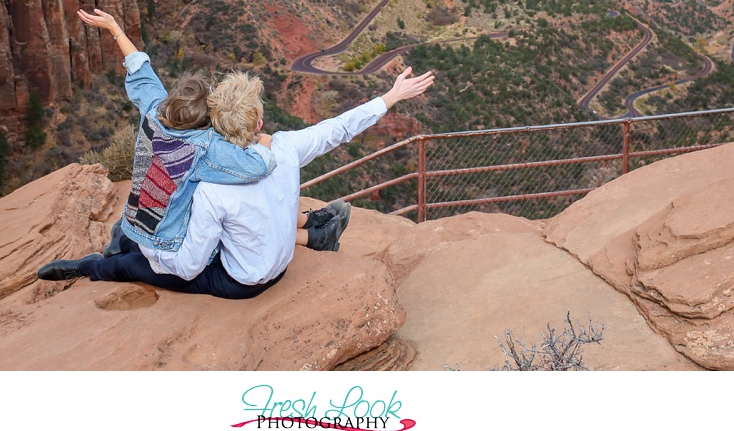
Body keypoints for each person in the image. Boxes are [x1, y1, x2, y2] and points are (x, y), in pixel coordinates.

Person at [38, 64, 436, 300]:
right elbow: (338, 129)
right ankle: (122, 241)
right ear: (259, 123)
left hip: (242, 282)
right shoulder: (286, 148)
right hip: (278, 263)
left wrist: (153, 256)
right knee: (156, 234)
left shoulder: (211, 188)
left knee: (134, 263)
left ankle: (97, 267)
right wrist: (391, 96)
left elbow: (190, 266)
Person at [72, 8, 274, 255]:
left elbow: (140, 70)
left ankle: (119, 240)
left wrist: (115, 29)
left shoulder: (155, 112)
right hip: (163, 240)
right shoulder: (205, 147)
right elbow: (256, 166)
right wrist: (264, 138)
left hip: (132, 221)